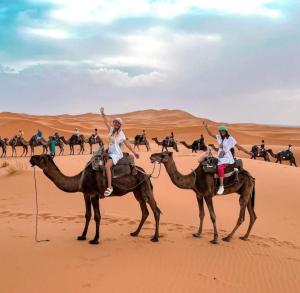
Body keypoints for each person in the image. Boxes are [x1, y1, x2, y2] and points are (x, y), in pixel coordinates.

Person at [100, 107, 139, 197]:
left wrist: (134, 152)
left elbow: (127, 144)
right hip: (109, 152)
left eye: (118, 123)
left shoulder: (121, 134)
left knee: (106, 166)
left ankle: (110, 187)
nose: (116, 124)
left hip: (116, 154)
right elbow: (105, 121)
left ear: (120, 125)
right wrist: (103, 113)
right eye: (115, 122)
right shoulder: (111, 130)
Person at [203, 122, 251, 195]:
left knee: (220, 168)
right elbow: (210, 134)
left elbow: (238, 147)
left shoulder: (230, 139)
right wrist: (206, 127)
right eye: (220, 131)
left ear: (226, 131)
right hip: (220, 156)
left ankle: (221, 186)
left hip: (227, 157)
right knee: (209, 162)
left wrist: (247, 152)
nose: (222, 132)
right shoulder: (219, 137)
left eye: (223, 131)